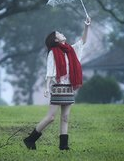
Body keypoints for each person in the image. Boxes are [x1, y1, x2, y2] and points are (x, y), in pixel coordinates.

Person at [23, 16, 90, 151]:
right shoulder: (53, 53)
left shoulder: (71, 50)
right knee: (51, 117)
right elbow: (49, 71)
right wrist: (47, 87)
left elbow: (83, 41)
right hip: (58, 87)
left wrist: (87, 26)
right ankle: (30, 139)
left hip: (69, 87)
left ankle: (63, 146)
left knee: (65, 117)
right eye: (59, 33)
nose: (62, 33)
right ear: (55, 39)